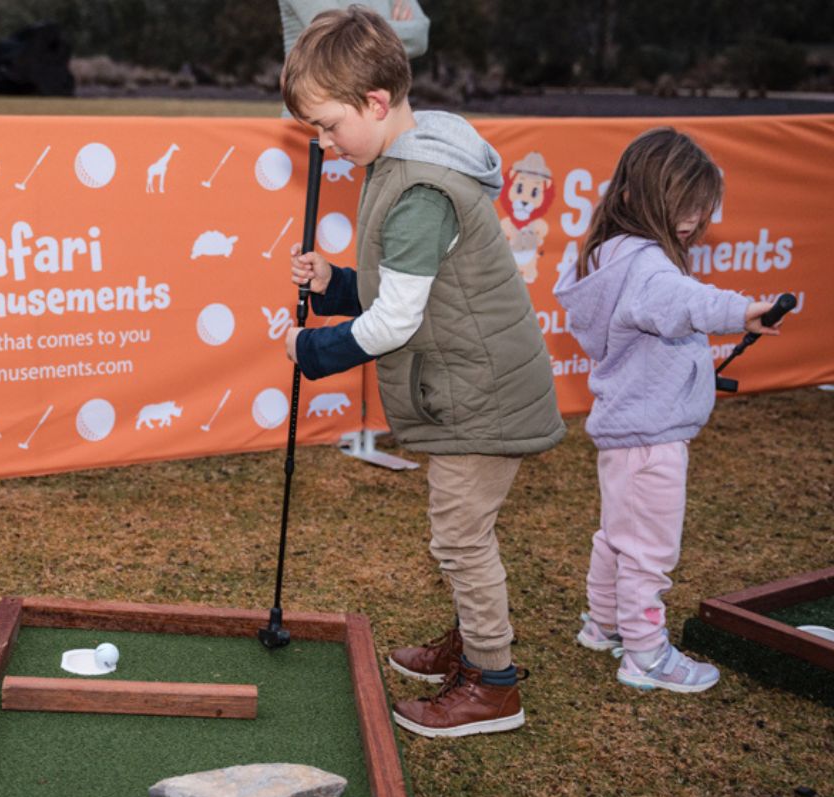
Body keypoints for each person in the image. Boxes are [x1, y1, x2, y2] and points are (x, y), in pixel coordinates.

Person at [280, 8, 565, 738]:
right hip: (469, 384)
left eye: (328, 125)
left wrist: (313, 351)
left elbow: (394, 322)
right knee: (462, 531)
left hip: (481, 396)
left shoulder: (416, 188)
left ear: (375, 104)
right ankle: (472, 643)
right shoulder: (397, 159)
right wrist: (336, 282)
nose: (323, 142)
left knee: (460, 538)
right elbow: (403, 287)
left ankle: (493, 684)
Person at [553, 128, 783, 693]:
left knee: (617, 537)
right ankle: (646, 655)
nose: (691, 221)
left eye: (698, 210)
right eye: (680, 207)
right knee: (648, 552)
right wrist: (745, 310)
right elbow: (689, 301)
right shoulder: (649, 267)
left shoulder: (607, 255)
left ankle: (603, 625)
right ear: (638, 198)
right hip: (651, 437)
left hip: (626, 432)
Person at [279, 0, 429, 61]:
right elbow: (340, 39)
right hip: (317, 119)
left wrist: (361, 31)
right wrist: (398, 30)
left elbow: (419, 38)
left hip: (384, 116)